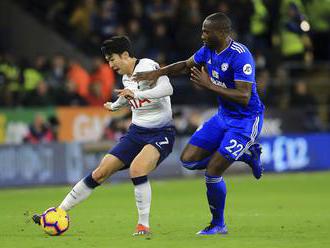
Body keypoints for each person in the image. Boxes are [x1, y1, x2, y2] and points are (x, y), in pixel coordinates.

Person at [134, 12, 265, 235]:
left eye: (207, 31)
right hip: (223, 116)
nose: (202, 34)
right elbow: (186, 65)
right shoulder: (208, 50)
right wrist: (157, 73)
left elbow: (244, 96)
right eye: (202, 30)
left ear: (222, 33)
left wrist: (209, 85)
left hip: (245, 121)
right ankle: (247, 154)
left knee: (213, 170)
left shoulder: (240, 56)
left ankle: (218, 224)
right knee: (188, 161)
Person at [32, 36, 175, 236]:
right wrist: (116, 105)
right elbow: (129, 95)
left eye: (112, 59)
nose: (110, 64)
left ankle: (143, 225)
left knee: (137, 169)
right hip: (136, 133)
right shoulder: (127, 77)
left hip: (160, 132)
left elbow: (167, 88)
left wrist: (138, 96)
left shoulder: (147, 66)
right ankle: (59, 211)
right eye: (108, 61)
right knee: (100, 172)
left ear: (125, 55)